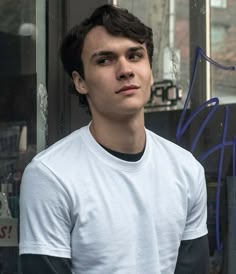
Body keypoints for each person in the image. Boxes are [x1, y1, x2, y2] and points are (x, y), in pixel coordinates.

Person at [19, 4, 209, 274]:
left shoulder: (186, 170)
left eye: (135, 56)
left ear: (150, 71)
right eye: (104, 60)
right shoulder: (51, 176)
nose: (125, 70)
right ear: (80, 82)